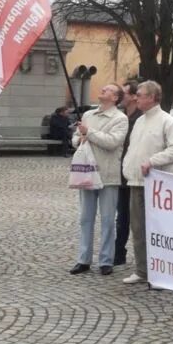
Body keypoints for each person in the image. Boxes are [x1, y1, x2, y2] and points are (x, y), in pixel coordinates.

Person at [121, 80, 173, 285]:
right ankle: (142, 270)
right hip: (135, 182)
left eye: (140, 94)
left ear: (152, 97)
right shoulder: (139, 121)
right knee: (138, 228)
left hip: (156, 184)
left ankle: (162, 271)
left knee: (158, 229)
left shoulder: (167, 121)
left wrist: (152, 161)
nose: (136, 97)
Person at [69, 84, 129, 276]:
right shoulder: (88, 115)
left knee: (108, 219)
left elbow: (112, 142)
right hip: (87, 171)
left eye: (109, 89)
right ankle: (83, 258)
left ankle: (106, 260)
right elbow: (76, 137)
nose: (103, 89)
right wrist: (79, 140)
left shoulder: (120, 118)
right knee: (85, 218)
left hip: (108, 174)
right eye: (103, 88)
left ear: (116, 98)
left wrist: (89, 133)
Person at [115, 81, 141, 266]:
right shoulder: (120, 117)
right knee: (121, 216)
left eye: (123, 93)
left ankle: (144, 257)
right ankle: (118, 252)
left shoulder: (140, 119)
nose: (120, 96)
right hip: (120, 173)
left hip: (136, 174)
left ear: (133, 96)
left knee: (139, 218)